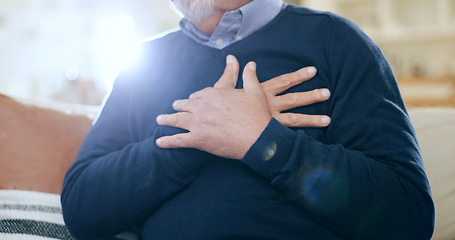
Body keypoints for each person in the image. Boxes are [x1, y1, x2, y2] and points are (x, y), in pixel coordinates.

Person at [61, 0, 435, 239]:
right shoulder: (140, 68)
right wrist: (197, 133)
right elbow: (82, 210)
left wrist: (263, 141)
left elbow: (408, 217)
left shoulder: (337, 42)